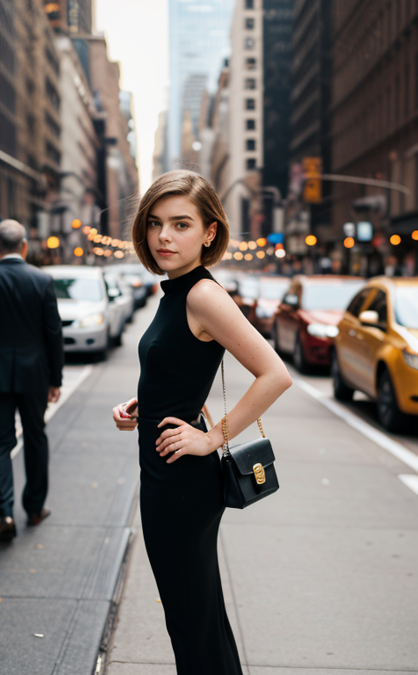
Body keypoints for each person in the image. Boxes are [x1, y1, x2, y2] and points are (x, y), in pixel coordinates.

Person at [113, 171, 292, 675]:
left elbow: (274, 375)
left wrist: (213, 436)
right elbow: (183, 368)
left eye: (181, 224)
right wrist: (142, 407)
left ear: (210, 232)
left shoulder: (202, 295)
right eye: (155, 223)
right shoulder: (177, 291)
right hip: (166, 471)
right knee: (196, 619)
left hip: (180, 484)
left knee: (192, 623)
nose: (164, 236)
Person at [0, 220, 64, 542]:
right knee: (36, 437)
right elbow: (54, 334)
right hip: (35, 374)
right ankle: (34, 508)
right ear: (23, 246)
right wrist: (56, 378)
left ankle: (4, 512)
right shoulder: (42, 280)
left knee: (0, 443)